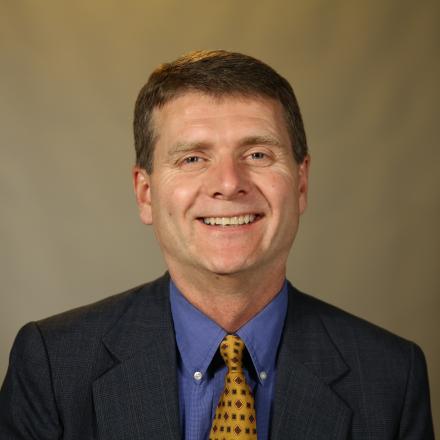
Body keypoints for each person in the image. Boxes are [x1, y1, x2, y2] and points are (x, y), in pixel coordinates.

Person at [0, 50, 434, 440]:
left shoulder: (391, 376)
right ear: (146, 193)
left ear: (301, 184)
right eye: (193, 158)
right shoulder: (53, 365)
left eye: (258, 154)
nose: (228, 183)